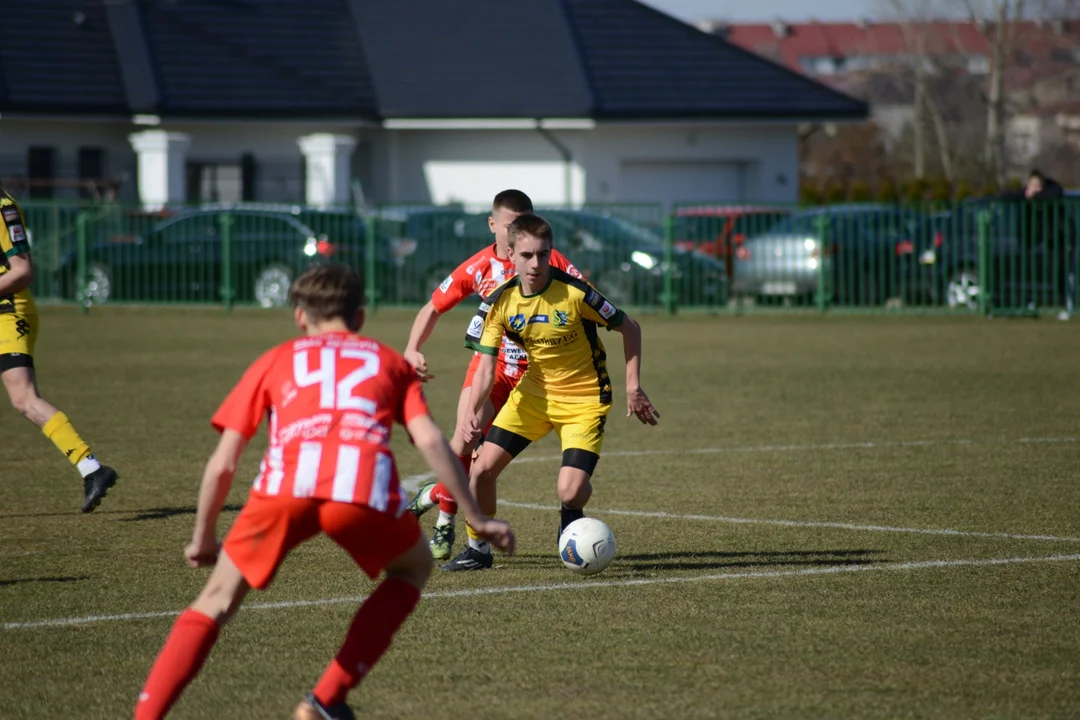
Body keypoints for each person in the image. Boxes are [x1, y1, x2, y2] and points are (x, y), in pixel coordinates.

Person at [133, 264, 514, 720]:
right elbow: (432, 442)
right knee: (411, 569)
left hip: (284, 490)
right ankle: (325, 699)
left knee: (214, 601)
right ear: (360, 317)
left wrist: (202, 536)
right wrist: (479, 516)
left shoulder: (275, 360)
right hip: (360, 490)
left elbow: (224, 462)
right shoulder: (386, 361)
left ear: (300, 317)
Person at [442, 213, 659, 572]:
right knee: (480, 471)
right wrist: (470, 413)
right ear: (510, 253)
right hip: (533, 396)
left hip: (584, 399)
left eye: (543, 254)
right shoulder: (500, 302)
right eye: (526, 255)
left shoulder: (575, 292)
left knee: (570, 491)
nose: (536, 263)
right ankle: (478, 549)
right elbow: (484, 369)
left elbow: (629, 327)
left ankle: (571, 512)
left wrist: (633, 386)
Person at [403, 189, 581, 560]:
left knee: (488, 464)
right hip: (493, 371)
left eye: (524, 223)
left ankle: (435, 497)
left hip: (541, 376)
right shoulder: (477, 267)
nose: (518, 232)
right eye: (509, 225)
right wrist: (412, 348)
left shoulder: (550, 260)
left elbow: (589, 300)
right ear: (492, 225)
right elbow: (433, 307)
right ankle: (446, 527)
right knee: (463, 444)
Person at [0, 187, 118, 512]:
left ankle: (92, 469)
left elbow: (22, 271)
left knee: (23, 398)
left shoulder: (2, 208)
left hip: (7, 312)